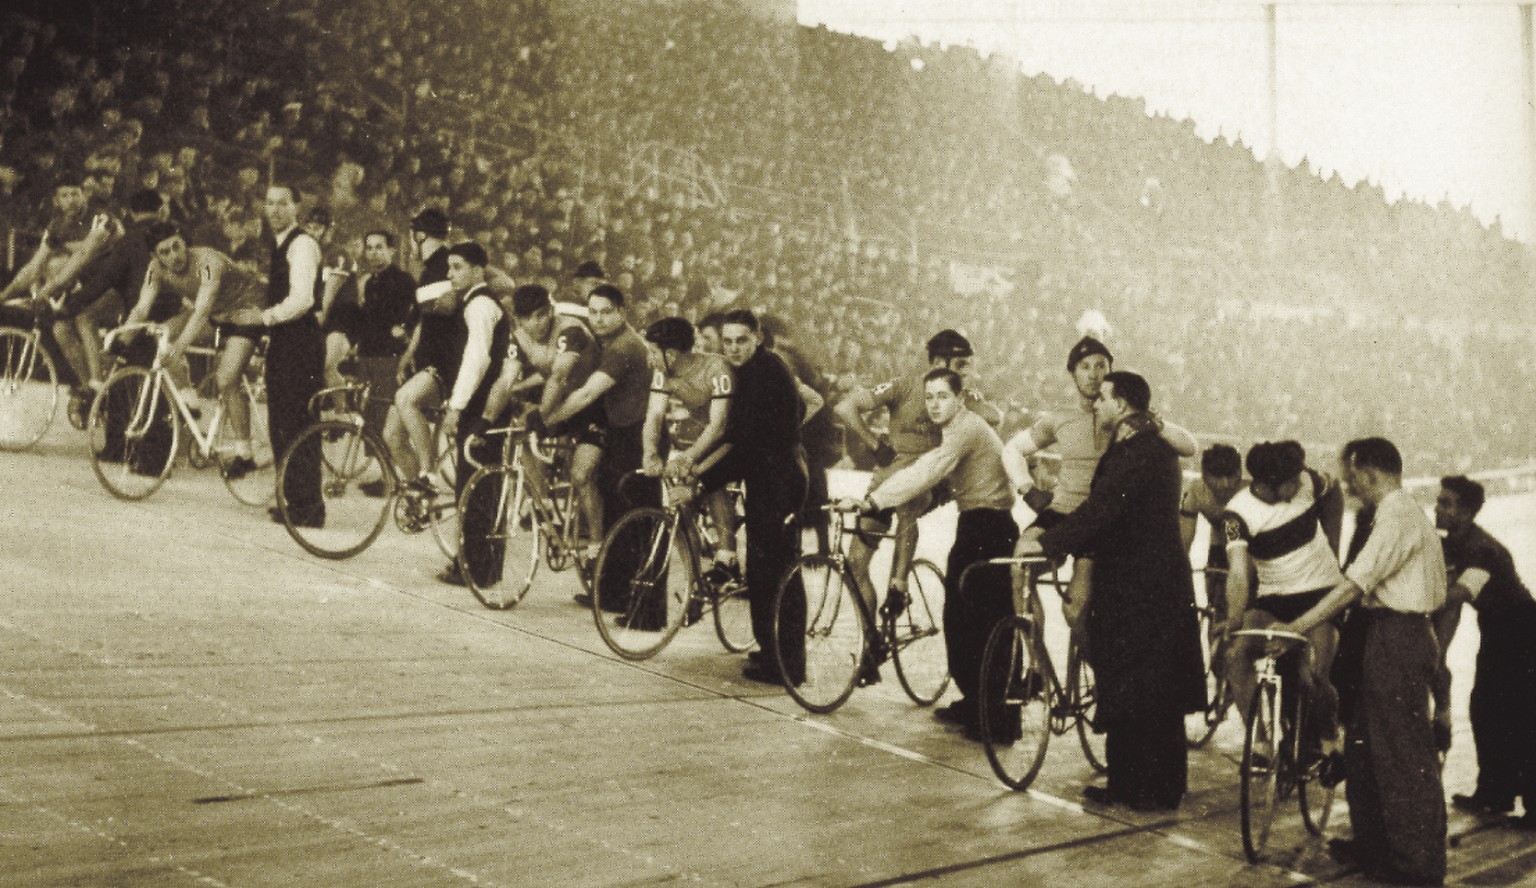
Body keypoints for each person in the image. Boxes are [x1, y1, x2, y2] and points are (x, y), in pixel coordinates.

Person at [1025, 371, 1205, 812]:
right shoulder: (1145, 448)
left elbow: (1101, 511)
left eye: (1104, 398)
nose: (1097, 404)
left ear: (1123, 405)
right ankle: (1136, 784)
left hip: (1140, 589)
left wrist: (1049, 543)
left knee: (1140, 690)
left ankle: (1148, 788)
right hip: (1149, 586)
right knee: (1146, 691)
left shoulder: (1137, 454)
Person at [1278, 437, 1447, 886]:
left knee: (1402, 756)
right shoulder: (1390, 513)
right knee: (1367, 750)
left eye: (1351, 477)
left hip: (1400, 635)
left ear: (1367, 472)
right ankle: (1379, 849)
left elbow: (1353, 586)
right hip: (1382, 635)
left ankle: (1417, 865)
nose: (1349, 485)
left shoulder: (1397, 514)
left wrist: (1297, 626)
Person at [850, 367, 1026, 719]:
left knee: (985, 618)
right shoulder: (957, 428)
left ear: (960, 399)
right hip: (977, 521)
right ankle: (976, 701)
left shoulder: (965, 428)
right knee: (962, 615)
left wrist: (875, 500)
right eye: (929, 396)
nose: (933, 404)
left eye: (943, 396)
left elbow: (928, 470)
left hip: (989, 525)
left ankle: (997, 711)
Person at [833, 330, 989, 676]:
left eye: (967, 367)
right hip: (888, 477)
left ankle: (899, 585)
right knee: (856, 561)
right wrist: (874, 444)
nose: (965, 373)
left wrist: (972, 403)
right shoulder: (903, 385)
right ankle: (872, 640)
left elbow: (994, 418)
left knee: (909, 506)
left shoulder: (959, 394)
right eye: (959, 365)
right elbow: (846, 407)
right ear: (936, 362)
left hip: (928, 479)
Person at [1219, 441, 1346, 768]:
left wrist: (1333, 544)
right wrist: (1235, 618)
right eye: (1291, 481)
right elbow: (1237, 574)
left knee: (1315, 673)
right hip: (1274, 599)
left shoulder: (1306, 480)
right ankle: (1261, 741)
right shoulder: (1237, 513)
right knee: (1235, 655)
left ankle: (1330, 738)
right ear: (1266, 484)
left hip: (1322, 595)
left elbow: (1334, 492)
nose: (1299, 482)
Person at [697, 309, 807, 685]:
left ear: (758, 336)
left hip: (780, 481)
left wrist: (703, 478)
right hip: (772, 476)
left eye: (741, 340)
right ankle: (772, 651)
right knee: (763, 572)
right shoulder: (760, 369)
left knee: (778, 574)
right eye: (727, 342)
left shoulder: (765, 372)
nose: (733, 348)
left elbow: (743, 443)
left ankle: (787, 664)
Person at [1008, 336, 1197, 534]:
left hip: (1106, 518)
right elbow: (1013, 450)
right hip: (1063, 510)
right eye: (1085, 367)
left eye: (1100, 366)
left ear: (1110, 371)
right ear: (1073, 374)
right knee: (1027, 551)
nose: (1093, 375)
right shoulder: (1059, 417)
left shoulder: (1125, 414)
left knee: (1087, 564)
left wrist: (1154, 424)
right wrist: (1027, 489)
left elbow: (1190, 447)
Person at [1436, 475, 1536, 829]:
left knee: (1521, 718)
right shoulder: (1455, 542)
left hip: (1522, 631)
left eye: (1446, 503)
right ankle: (1495, 793)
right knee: (1486, 709)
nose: (1438, 508)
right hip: (1499, 631)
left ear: (1465, 511)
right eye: (1439, 501)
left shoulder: (1480, 549)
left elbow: (1460, 594)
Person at [547, 284, 657, 601]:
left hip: (634, 435)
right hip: (624, 431)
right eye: (593, 312)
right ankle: (611, 592)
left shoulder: (623, 347)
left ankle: (622, 594)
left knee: (625, 516)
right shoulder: (615, 341)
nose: (599, 319)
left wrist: (550, 418)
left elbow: (587, 393)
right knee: (615, 512)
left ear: (622, 312)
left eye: (607, 312)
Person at [226, 184, 326, 529]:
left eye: (283, 203)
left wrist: (263, 317)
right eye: (269, 204)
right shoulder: (282, 244)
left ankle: (307, 507)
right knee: (283, 423)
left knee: (298, 423)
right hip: (287, 340)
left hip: (301, 342)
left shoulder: (302, 244)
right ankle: (295, 501)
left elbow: (302, 300)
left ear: (297, 206)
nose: (275, 210)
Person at [134, 222, 265, 479]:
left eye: (177, 247)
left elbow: (202, 308)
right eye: (165, 252)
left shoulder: (207, 261)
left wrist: (180, 346)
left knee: (226, 378)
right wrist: (120, 339)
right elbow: (141, 308)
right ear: (155, 256)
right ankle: (189, 400)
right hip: (218, 312)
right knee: (163, 335)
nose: (174, 256)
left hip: (247, 308)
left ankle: (244, 453)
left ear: (185, 243)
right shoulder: (155, 270)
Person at [434, 242, 509, 586]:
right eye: (449, 267)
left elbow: (477, 359)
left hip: (481, 408)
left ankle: (477, 568)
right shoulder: (476, 303)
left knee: (477, 487)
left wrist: (457, 405)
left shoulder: (480, 305)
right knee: (476, 485)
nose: (450, 274)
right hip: (481, 405)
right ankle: (476, 564)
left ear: (478, 270)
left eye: (457, 266)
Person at [640, 317, 736, 574]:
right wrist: (649, 452)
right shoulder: (663, 372)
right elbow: (654, 416)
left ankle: (727, 558)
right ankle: (694, 580)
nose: (650, 358)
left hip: (729, 436)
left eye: (652, 352)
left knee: (710, 479)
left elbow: (719, 426)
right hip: (698, 434)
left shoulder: (717, 368)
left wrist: (687, 458)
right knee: (679, 504)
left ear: (670, 354)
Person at [323, 230, 417, 439]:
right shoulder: (369, 282)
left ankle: (389, 467)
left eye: (379, 247)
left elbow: (420, 309)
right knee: (370, 422)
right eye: (370, 248)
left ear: (391, 251)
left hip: (388, 356)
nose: (373, 253)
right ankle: (381, 466)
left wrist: (405, 327)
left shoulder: (403, 279)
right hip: (368, 354)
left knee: (383, 424)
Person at [1178, 443, 1245, 615]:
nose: (1225, 484)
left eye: (1231, 476)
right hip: (1220, 537)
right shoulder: (1196, 491)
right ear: (1205, 475)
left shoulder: (1249, 488)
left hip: (1253, 542)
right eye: (1218, 476)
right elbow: (1184, 543)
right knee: (1216, 601)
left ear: (1240, 472)